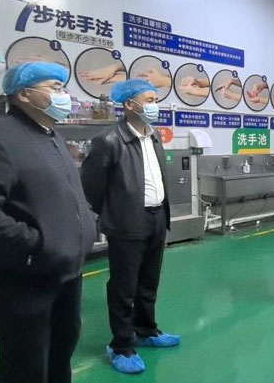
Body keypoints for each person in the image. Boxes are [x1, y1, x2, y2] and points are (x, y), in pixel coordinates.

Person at [0, 62, 98, 383]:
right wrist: (38, 245)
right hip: (23, 280)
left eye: (63, 87)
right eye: (55, 87)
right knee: (25, 367)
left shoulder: (50, 135)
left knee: (60, 357)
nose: (64, 94)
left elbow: (66, 193)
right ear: (24, 94)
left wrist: (86, 224)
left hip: (66, 274)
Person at [81, 79, 179, 374]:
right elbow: (91, 185)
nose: (155, 105)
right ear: (129, 104)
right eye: (149, 100)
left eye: (155, 99)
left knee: (149, 279)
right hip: (126, 222)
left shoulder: (154, 136)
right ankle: (122, 345)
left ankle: (146, 329)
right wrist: (115, 212)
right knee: (123, 286)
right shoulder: (110, 140)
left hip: (157, 217)